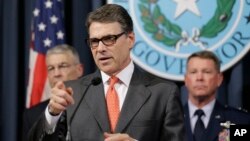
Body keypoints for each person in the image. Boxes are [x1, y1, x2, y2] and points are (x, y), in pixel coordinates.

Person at [28, 4, 184, 141]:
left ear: (130, 39)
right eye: (94, 41)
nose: (101, 49)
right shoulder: (73, 92)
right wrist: (52, 114)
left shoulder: (163, 93)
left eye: (109, 39)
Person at [183, 50, 250, 141]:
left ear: (219, 79)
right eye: (193, 72)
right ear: (186, 80)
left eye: (206, 72)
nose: (199, 78)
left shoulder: (240, 121)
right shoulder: (166, 123)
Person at [23, 44, 83, 141]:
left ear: (79, 70)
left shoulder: (96, 103)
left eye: (63, 66)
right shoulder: (32, 115)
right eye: (51, 68)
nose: (56, 74)